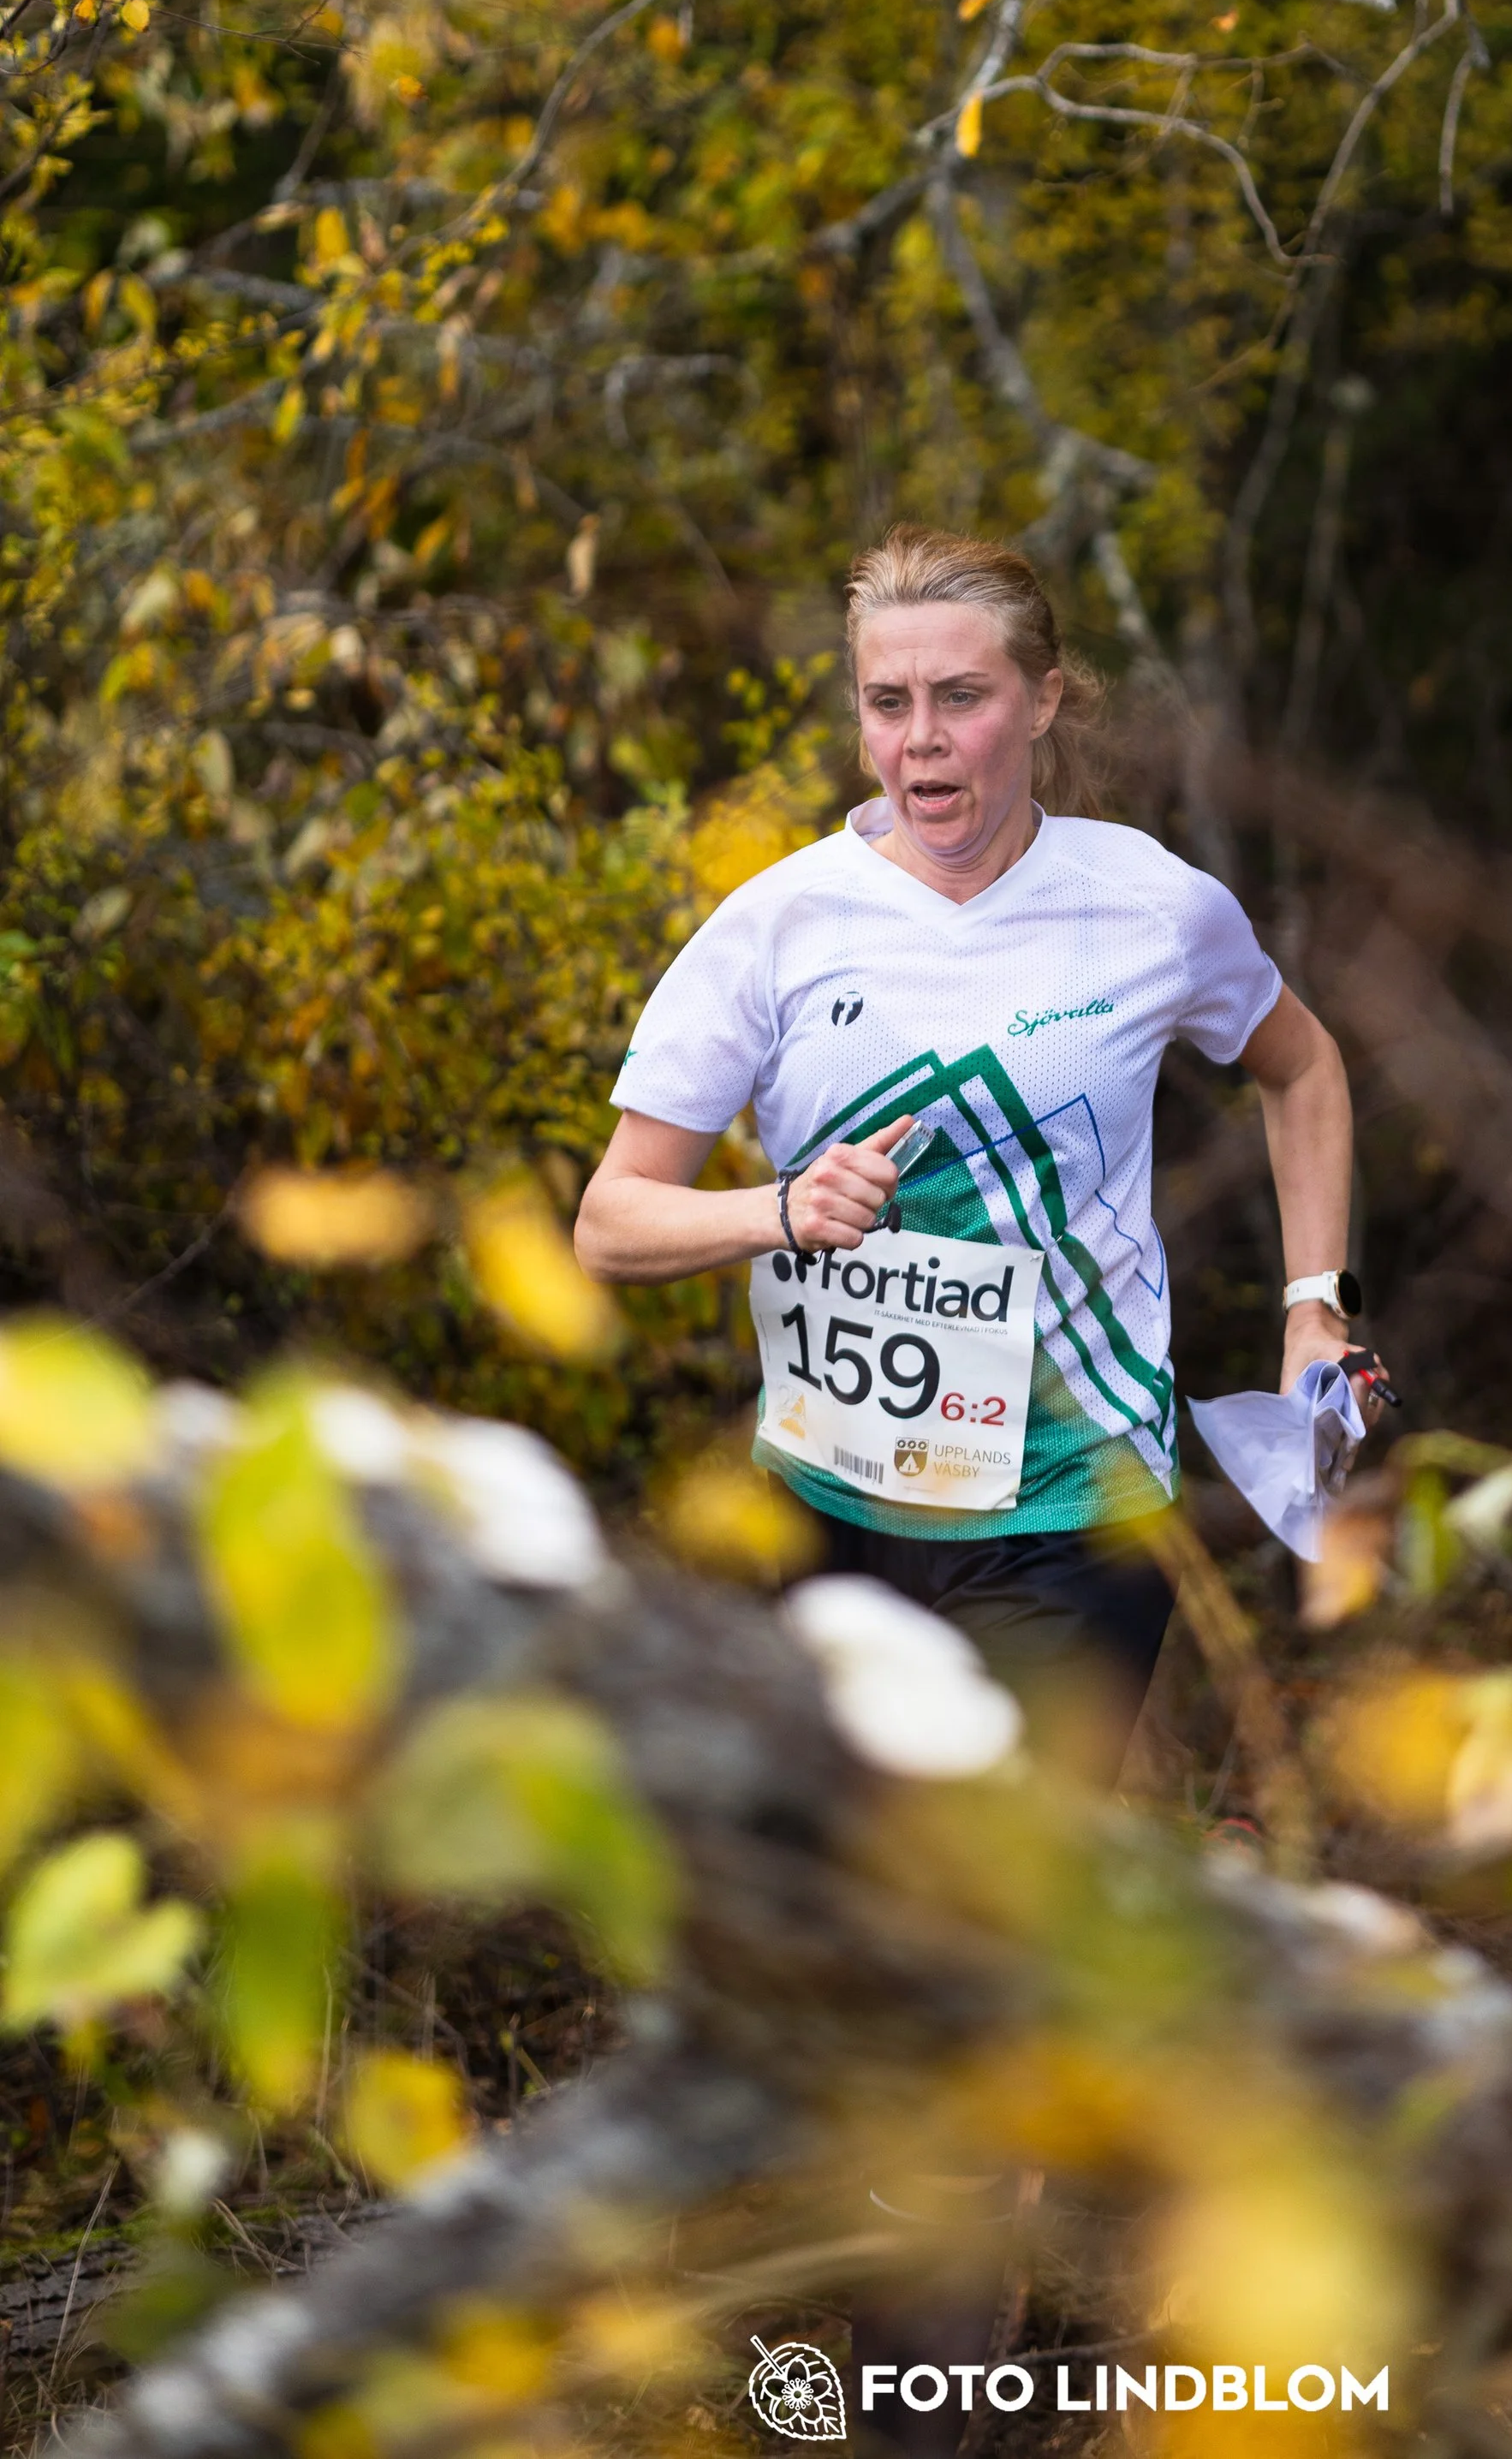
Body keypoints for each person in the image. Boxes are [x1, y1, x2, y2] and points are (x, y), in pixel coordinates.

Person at [575, 523, 1378, 1760]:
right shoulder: (776, 925)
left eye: (962, 697)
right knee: (858, 1904)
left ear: (1044, 698)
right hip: (826, 1517)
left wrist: (1313, 1307)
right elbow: (610, 1221)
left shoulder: (1148, 904)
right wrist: (778, 1211)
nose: (922, 739)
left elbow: (1305, 1065)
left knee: (995, 1889)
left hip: (1080, 1508)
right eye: (887, 702)